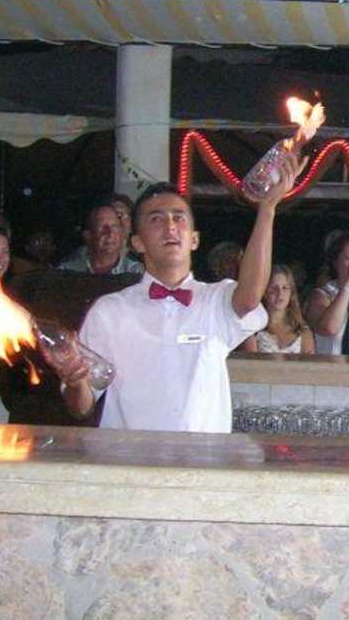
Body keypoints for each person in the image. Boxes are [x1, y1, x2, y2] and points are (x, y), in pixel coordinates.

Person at [47, 153, 300, 432]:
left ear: (194, 239)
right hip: (128, 456)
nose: (170, 226)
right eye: (156, 219)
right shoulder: (110, 311)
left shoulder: (215, 299)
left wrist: (267, 210)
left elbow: (250, 297)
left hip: (203, 457)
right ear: (137, 243)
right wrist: (74, 380)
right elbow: (81, 406)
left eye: (178, 218)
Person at [59, 199, 143, 276]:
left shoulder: (137, 273)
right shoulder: (66, 272)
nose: (110, 233)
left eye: (114, 226)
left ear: (121, 233)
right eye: (102, 227)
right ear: (88, 235)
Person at [248, 264, 314, 355]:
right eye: (274, 288)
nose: (280, 293)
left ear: (291, 293)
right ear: (264, 292)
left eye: (285, 288)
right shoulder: (252, 329)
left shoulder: (303, 332)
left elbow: (310, 363)